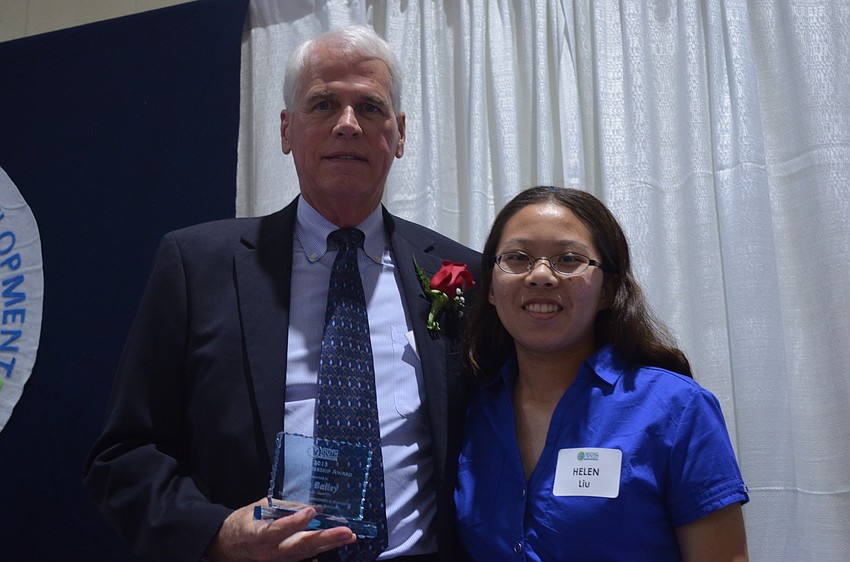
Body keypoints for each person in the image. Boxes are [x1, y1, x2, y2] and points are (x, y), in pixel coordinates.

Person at [84, 26, 480, 562]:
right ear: (286, 129)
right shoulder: (197, 266)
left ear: (400, 133)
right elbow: (124, 455)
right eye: (323, 104)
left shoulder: (461, 275)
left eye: (369, 107)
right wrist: (217, 534)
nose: (347, 124)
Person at [455, 186, 749, 561]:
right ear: (492, 288)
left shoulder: (678, 409)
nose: (541, 275)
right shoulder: (473, 410)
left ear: (608, 289)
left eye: (568, 259)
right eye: (518, 257)